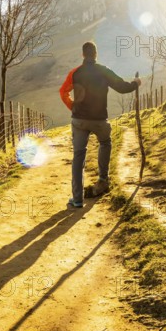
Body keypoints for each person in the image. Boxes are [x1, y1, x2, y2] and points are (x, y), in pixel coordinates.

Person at [59, 41, 141, 207]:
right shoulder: (104, 70)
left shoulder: (75, 73)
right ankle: (103, 180)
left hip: (79, 121)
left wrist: (73, 106)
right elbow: (122, 87)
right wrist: (135, 83)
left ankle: (77, 199)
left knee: (78, 156)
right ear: (96, 54)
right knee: (105, 143)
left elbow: (63, 92)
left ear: (83, 55)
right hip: (99, 120)